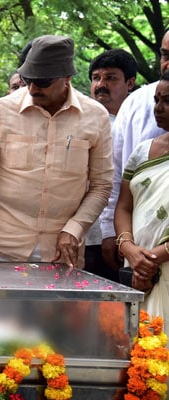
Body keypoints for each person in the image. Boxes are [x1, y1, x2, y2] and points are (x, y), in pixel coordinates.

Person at [0, 35, 113, 268]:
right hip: (0, 248)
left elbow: (102, 185)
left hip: (61, 251)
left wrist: (74, 229)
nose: (33, 88)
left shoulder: (95, 116)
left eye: (42, 82)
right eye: (28, 79)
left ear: (66, 77)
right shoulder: (5, 109)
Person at [101, 30, 169, 274]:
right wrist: (116, 237)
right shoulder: (136, 102)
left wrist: (155, 257)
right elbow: (116, 175)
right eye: (165, 55)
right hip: (135, 252)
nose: (159, 108)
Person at [114, 71, 169, 331]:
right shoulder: (143, 151)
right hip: (137, 268)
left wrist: (153, 258)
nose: (159, 108)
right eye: (157, 100)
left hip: (159, 265)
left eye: (168, 101)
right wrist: (129, 249)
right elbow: (124, 206)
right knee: (140, 356)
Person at [84, 48, 137, 280]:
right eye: (96, 78)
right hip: (85, 235)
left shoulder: (138, 123)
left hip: (128, 235)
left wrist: (114, 234)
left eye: (111, 78)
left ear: (130, 83)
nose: (101, 84)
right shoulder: (79, 121)